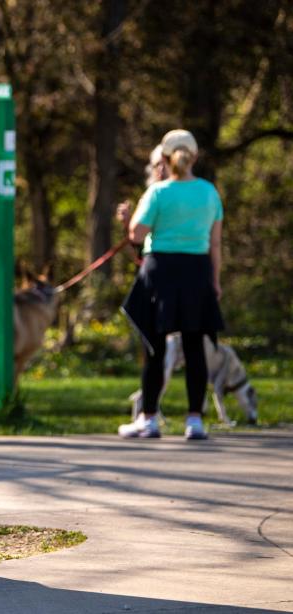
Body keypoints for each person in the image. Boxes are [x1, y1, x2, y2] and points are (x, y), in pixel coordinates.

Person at [118, 129, 225, 440]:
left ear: (163, 159)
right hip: (197, 271)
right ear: (194, 156)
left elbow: (136, 235)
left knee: (154, 346)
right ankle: (195, 421)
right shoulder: (209, 192)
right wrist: (215, 282)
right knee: (194, 347)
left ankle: (148, 418)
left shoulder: (158, 193)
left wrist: (135, 209)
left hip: (160, 271)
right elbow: (215, 245)